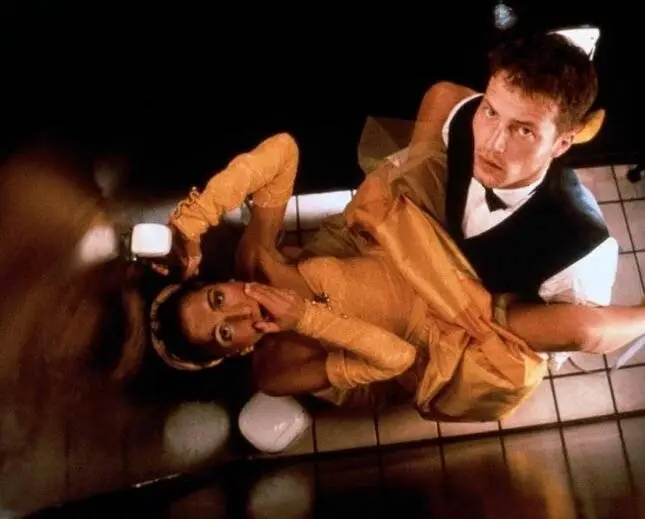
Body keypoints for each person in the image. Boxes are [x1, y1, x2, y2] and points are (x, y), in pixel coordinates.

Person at [125, 129, 645, 423]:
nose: (241, 311)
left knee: (442, 100)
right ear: (234, 352)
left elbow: (283, 150)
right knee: (586, 331)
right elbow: (397, 358)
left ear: (220, 283)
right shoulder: (274, 371)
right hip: (446, 329)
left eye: (217, 300)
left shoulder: (254, 259)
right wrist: (304, 317)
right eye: (225, 332)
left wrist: (192, 222)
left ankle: (559, 131)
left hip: (413, 251)